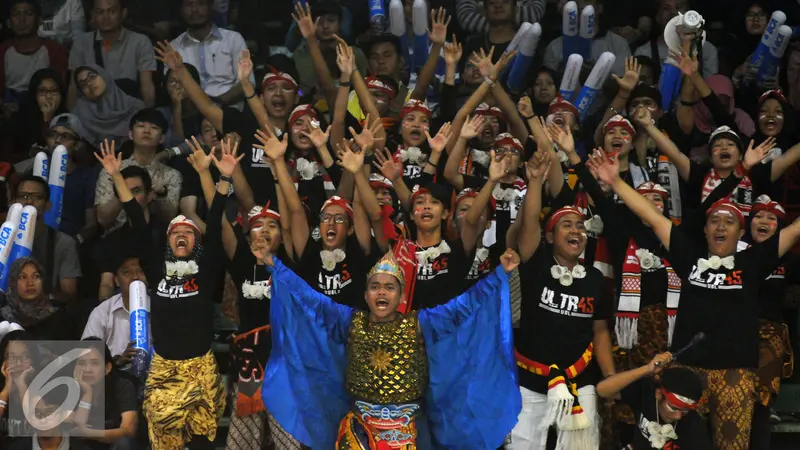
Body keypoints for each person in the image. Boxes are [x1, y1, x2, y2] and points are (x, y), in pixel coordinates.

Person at [590, 148, 800, 449]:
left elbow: (794, 231)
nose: (721, 226)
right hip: (687, 372)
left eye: (729, 222)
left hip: (735, 373)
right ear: (704, 230)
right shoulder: (688, 254)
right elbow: (650, 214)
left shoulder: (753, 261)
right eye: (714, 221)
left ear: (740, 232)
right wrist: (616, 182)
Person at [260, 243, 522, 448]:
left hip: (410, 431)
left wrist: (501, 274)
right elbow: (309, 301)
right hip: (360, 429)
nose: (382, 292)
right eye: (375, 287)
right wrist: (275, 266)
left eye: (389, 287)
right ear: (365, 295)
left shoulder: (420, 323)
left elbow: (465, 306)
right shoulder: (349, 321)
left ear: (401, 296)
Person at [95, 137, 233, 450]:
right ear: (167, 243)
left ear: (196, 244)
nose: (181, 235)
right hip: (164, 369)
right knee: (163, 443)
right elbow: (136, 220)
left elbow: (214, 219)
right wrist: (117, 176)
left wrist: (216, 176)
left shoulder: (206, 268)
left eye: (188, 233)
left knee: (202, 444)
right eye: (175, 233)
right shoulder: (157, 270)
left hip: (201, 369)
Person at [507, 151, 616, 450]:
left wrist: (609, 377)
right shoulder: (536, 262)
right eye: (567, 225)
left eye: (580, 226)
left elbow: (601, 332)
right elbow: (529, 223)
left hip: (580, 380)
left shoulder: (595, 279)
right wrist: (534, 180)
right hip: (530, 379)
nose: (576, 231)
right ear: (550, 237)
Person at [597, 355, 712, 450]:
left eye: (685, 411)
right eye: (673, 408)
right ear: (658, 394)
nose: (678, 416)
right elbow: (602, 390)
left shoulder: (695, 429)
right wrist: (646, 369)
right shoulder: (646, 392)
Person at [94, 108, 181, 233]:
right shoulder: (111, 170)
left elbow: (169, 219)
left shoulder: (171, 175)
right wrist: (124, 187)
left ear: (162, 138)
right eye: (141, 126)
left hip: (155, 239)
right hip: (116, 238)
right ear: (130, 134)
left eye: (154, 127)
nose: (146, 131)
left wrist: (158, 196)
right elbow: (103, 220)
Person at [68, 0, 157, 107]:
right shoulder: (82, 43)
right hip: (93, 111)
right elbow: (73, 87)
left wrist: (147, 115)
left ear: (123, 13)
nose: (106, 17)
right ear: (93, 15)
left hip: (128, 108)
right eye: (100, 12)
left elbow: (146, 86)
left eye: (112, 11)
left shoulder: (140, 42)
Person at [170, 0, 251, 109]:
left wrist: (216, 104)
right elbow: (173, 88)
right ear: (181, 10)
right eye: (189, 4)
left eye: (201, 3)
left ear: (211, 6)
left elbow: (247, 83)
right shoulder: (174, 47)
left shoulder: (233, 39)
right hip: (191, 113)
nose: (194, 9)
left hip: (229, 112)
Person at [14, 175, 82, 303]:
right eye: (23, 196)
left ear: (48, 205)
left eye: (36, 197)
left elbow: (69, 293)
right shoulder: (3, 238)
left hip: (46, 311)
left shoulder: (63, 242)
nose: (29, 201)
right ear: (13, 202)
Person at [72, 339, 138, 450]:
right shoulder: (69, 388)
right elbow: (78, 426)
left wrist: (91, 434)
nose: (87, 369)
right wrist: (87, 392)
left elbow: (129, 431)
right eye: (82, 363)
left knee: (124, 443)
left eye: (95, 363)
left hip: (112, 445)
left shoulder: (122, 386)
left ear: (107, 367)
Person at [82, 254, 148, 361]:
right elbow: (87, 357)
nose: (135, 277)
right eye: (127, 272)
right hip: (114, 374)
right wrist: (117, 361)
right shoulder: (102, 312)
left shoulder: (160, 307)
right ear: (116, 280)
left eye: (140, 271)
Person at [0, 0, 67, 106]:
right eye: (16, 14)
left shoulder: (54, 49)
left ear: (39, 20)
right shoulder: (3, 51)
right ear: (8, 22)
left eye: (28, 14)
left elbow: (58, 92)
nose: (22, 20)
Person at [543, 0, 631, 77]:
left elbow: (622, 84)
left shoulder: (618, 44)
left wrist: (596, 77)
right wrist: (557, 77)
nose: (580, 4)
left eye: (587, 0)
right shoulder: (554, 47)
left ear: (599, 7)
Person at [71, 64, 145, 147]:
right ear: (81, 93)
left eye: (92, 76)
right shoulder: (80, 116)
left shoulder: (136, 107)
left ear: (103, 75)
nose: (89, 83)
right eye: (83, 84)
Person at [0, 258, 73, 340]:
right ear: (13, 282)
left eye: (36, 276)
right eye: (23, 277)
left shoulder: (58, 317)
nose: (30, 283)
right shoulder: (3, 318)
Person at [8, 71, 69, 166]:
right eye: (43, 91)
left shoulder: (69, 118)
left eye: (54, 91)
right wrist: (45, 121)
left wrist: (49, 120)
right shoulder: (19, 119)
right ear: (34, 95)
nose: (49, 97)